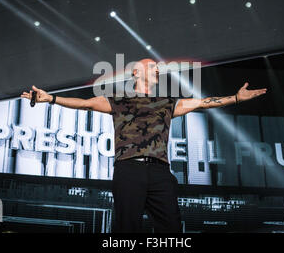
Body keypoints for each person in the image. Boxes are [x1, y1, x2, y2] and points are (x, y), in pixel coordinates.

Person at [21, 58, 267, 232]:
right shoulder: (119, 99)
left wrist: (235, 98)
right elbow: (85, 103)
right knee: (127, 227)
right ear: (136, 73)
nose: (157, 69)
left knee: (171, 227)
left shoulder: (168, 102)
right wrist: (50, 98)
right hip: (129, 169)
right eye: (152, 66)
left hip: (160, 171)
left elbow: (203, 103)